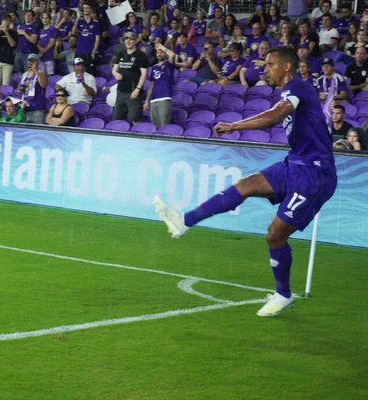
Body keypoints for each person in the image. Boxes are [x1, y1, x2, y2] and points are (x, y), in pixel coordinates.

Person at [154, 46, 337, 317]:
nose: (266, 69)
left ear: (287, 67)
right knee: (246, 184)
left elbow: (274, 117)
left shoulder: (298, 87)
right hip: (295, 163)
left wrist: (233, 126)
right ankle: (184, 221)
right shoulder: (290, 92)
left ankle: (283, 294)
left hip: (315, 174)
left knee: (274, 234)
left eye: (271, 64)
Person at [112, 30, 148, 125]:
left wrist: (137, 89)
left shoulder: (141, 55)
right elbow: (114, 69)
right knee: (118, 119)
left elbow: (144, 74)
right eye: (126, 39)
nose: (128, 41)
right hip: (121, 91)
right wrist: (116, 74)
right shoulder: (121, 53)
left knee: (135, 119)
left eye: (131, 39)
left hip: (133, 92)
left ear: (136, 41)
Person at [144, 42, 175, 128]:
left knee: (164, 126)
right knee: (155, 127)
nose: (159, 54)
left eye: (161, 52)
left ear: (165, 53)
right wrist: (147, 100)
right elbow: (151, 85)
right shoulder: (154, 67)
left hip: (165, 98)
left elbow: (172, 55)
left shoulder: (168, 64)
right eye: (158, 52)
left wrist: (162, 46)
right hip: (153, 100)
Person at [16, 53, 47, 124]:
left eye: (33, 61)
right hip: (25, 106)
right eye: (29, 61)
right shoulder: (24, 75)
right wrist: (19, 89)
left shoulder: (41, 73)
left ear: (37, 62)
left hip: (37, 107)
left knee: (36, 129)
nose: (30, 63)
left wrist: (35, 71)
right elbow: (20, 88)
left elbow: (43, 85)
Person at [72, 3, 100, 75]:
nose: (85, 9)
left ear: (91, 10)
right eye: (84, 8)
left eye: (87, 8)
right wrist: (77, 19)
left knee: (89, 74)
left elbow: (97, 39)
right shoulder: (79, 21)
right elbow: (73, 33)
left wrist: (93, 52)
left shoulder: (95, 23)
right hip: (79, 51)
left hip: (89, 52)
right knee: (77, 73)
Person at [0, 14, 17, 86]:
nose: (5, 22)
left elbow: (12, 44)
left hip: (8, 62)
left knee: (6, 84)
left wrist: (6, 32)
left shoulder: (13, 32)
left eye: (7, 20)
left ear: (10, 22)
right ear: (1, 21)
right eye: (4, 20)